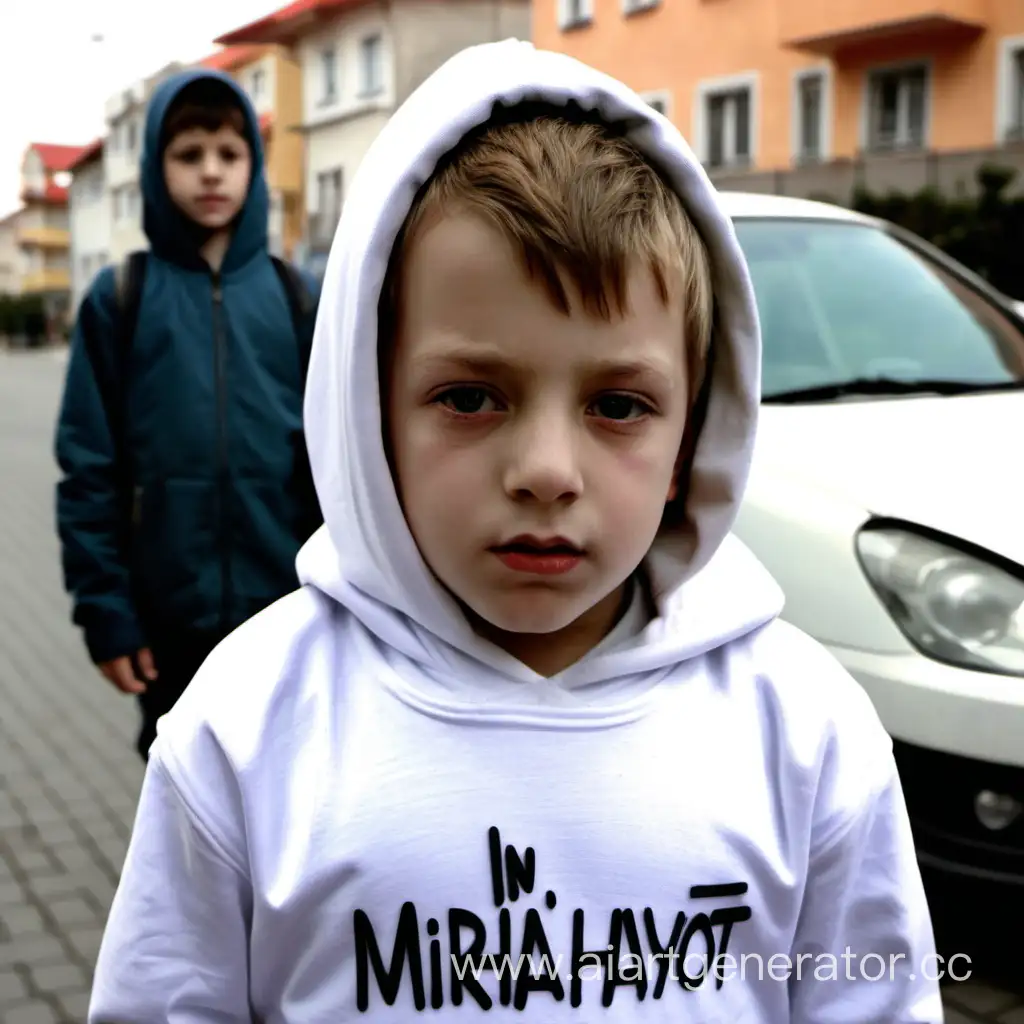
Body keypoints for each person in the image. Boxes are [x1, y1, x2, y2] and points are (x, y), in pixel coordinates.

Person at [88, 41, 943, 1022]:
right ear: (370, 412)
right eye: (470, 396)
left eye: (618, 404)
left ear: (692, 432)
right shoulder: (244, 733)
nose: (545, 470)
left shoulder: (805, 730)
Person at [54, 68, 322, 762]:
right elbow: (88, 470)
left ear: (253, 166)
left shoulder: (296, 297)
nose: (211, 173)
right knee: (188, 812)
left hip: (288, 616)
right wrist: (106, 614)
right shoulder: (121, 299)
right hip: (168, 620)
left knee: (288, 808)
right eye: (189, 154)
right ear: (155, 165)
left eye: (229, 155)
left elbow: (337, 464)